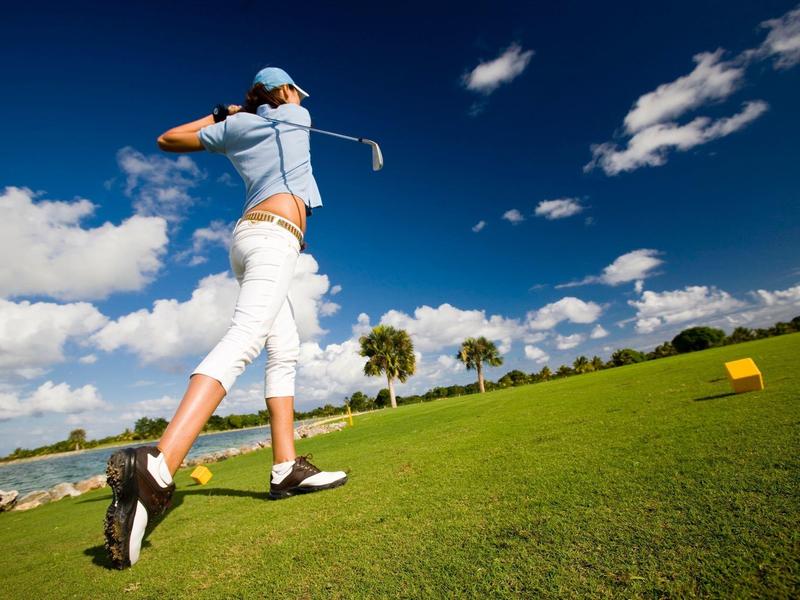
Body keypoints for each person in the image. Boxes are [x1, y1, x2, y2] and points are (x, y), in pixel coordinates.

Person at [103, 67, 347, 570]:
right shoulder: (295, 113)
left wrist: (223, 114)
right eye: (294, 89)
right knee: (247, 336)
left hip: (250, 238)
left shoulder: (238, 127)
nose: (299, 96)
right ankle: (158, 466)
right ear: (283, 91)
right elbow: (293, 107)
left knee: (285, 347)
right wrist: (251, 110)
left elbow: (169, 138)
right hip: (274, 235)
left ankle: (285, 469)